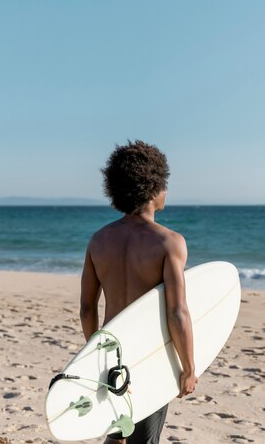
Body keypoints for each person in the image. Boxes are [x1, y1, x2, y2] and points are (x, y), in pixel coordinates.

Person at [80, 140, 197, 444]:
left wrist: (93, 351)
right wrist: (189, 368)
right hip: (150, 355)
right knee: (143, 439)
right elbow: (177, 311)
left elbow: (87, 308)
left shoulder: (98, 241)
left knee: (118, 431)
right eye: (164, 184)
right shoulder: (168, 243)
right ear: (153, 188)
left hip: (111, 354)